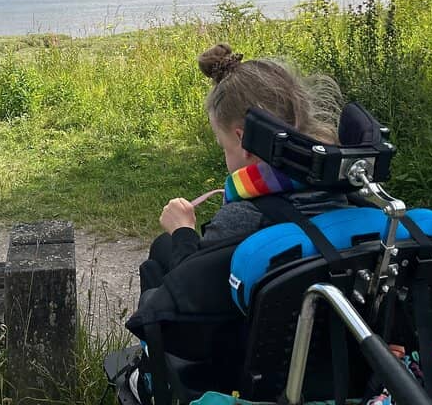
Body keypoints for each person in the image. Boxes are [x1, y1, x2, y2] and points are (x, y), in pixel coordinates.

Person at [142, 42, 349, 287]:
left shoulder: (244, 216)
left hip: (259, 320)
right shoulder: (339, 186)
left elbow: (190, 284)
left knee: (163, 248)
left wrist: (182, 231)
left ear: (243, 140)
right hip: (327, 300)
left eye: (223, 146)